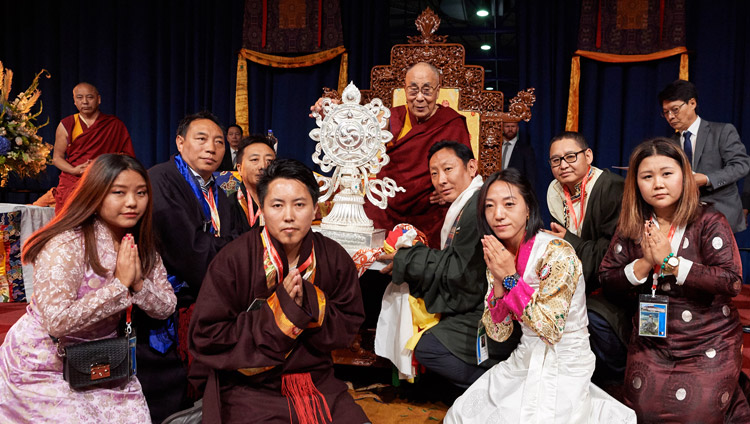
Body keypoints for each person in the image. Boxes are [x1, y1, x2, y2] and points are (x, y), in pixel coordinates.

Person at [445, 169, 635, 424]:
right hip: (527, 353)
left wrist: (510, 277)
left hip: (566, 359)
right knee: (461, 414)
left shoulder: (558, 253)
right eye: (489, 206)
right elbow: (498, 332)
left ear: (528, 209)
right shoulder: (500, 254)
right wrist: (500, 282)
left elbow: (550, 329)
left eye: (509, 204)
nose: (498, 215)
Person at [0, 154, 176, 423]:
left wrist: (139, 284)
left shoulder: (141, 242)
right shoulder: (66, 244)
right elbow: (56, 322)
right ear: (96, 194)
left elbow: (167, 306)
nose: (132, 202)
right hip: (44, 362)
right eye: (119, 192)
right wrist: (119, 286)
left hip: (107, 360)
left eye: (141, 193)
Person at [190, 159, 369, 423]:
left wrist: (312, 303)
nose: (289, 216)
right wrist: (280, 312)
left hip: (315, 381)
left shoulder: (333, 257)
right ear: (261, 209)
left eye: (299, 205)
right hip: (250, 385)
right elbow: (206, 336)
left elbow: (348, 324)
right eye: (277, 205)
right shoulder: (234, 259)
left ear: (315, 209)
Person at [599, 138, 750, 423]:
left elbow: (731, 281)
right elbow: (608, 279)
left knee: (694, 415)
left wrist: (671, 263)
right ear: (636, 183)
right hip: (651, 343)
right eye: (647, 176)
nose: (658, 183)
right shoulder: (631, 224)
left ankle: (731, 396)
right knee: (642, 413)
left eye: (667, 173)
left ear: (685, 175)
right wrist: (645, 263)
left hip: (709, 339)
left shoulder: (709, 220)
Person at [380, 141, 520, 388]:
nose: (440, 180)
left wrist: (408, 259)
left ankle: (497, 389)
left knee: (428, 348)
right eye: (434, 173)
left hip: (492, 306)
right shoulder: (465, 205)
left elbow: (461, 270)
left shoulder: (479, 206)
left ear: (471, 167)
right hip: (477, 297)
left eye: (448, 169)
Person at [139, 111, 243, 422]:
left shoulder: (222, 187)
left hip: (210, 299)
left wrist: (228, 247)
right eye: (201, 139)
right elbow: (189, 250)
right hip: (171, 302)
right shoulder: (162, 179)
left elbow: (238, 234)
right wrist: (233, 252)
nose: (211, 148)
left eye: (218, 142)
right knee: (168, 389)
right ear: (180, 142)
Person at [311, 62, 471, 246]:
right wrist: (335, 113)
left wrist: (453, 191)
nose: (419, 98)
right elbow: (360, 125)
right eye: (413, 90)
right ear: (404, 89)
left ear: (437, 90)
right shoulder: (392, 116)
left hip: (430, 210)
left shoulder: (451, 123)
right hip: (386, 205)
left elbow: (467, 171)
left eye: (426, 91)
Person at [545, 131, 628, 383]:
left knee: (592, 317)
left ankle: (615, 377)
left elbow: (611, 254)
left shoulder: (611, 187)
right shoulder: (556, 192)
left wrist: (569, 240)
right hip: (580, 280)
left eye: (570, 156)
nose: (563, 165)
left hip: (614, 288)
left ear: (588, 155)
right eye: (556, 160)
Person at [658, 79, 750, 232]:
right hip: (684, 218)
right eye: (666, 112)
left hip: (721, 214)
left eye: (675, 110)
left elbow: (741, 165)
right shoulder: (670, 144)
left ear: (692, 103)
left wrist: (707, 179)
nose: (670, 117)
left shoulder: (722, 131)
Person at [52, 83, 135, 212]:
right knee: (69, 223)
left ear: (99, 99)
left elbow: (127, 157)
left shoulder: (114, 125)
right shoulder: (67, 124)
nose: (84, 102)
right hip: (73, 180)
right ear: (74, 101)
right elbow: (57, 158)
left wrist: (104, 167)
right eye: (79, 97)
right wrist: (74, 170)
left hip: (105, 180)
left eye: (89, 97)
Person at [217, 134, 276, 232]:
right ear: (239, 168)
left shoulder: (283, 204)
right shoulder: (227, 205)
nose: (263, 166)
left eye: (269, 161)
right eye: (254, 160)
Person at [500, 121, 536, 187]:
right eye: (507, 126)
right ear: (502, 128)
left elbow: (530, 177)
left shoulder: (526, 150)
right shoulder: (496, 148)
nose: (510, 129)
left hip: (516, 189)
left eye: (513, 126)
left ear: (517, 128)